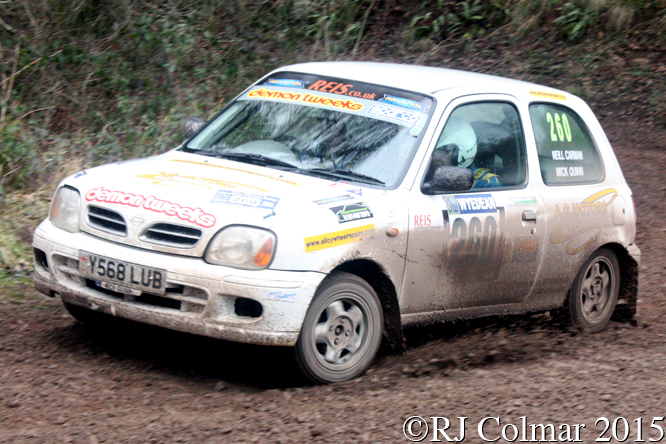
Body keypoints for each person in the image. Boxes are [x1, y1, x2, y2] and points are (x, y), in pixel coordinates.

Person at [428, 117, 502, 188]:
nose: (437, 157)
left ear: (463, 154)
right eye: (436, 150)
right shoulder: (425, 173)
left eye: (445, 151)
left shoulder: (486, 184)